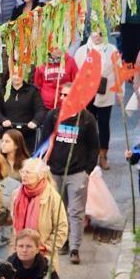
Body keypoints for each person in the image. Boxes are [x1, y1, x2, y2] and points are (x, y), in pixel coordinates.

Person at [41, 87, 99, 265]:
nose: (62, 97)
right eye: (61, 94)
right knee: (59, 210)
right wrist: (43, 165)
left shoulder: (87, 119)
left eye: (66, 94)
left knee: (76, 212)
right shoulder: (53, 115)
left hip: (77, 172)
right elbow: (44, 141)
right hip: (54, 171)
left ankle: (75, 248)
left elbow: (94, 147)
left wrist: (87, 170)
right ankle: (63, 241)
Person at [11, 157, 69, 261]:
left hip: (43, 255)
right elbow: (13, 223)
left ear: (41, 175)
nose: (24, 175)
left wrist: (46, 247)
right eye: (22, 172)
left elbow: (61, 228)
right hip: (19, 253)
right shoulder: (16, 194)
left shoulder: (52, 197)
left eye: (28, 172)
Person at [0, 62, 46, 153]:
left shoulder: (33, 91)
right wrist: (2, 120)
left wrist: (35, 121)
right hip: (7, 132)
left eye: (20, 74)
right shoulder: (0, 90)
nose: (17, 77)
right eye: (14, 74)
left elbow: (40, 109)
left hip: (28, 132)